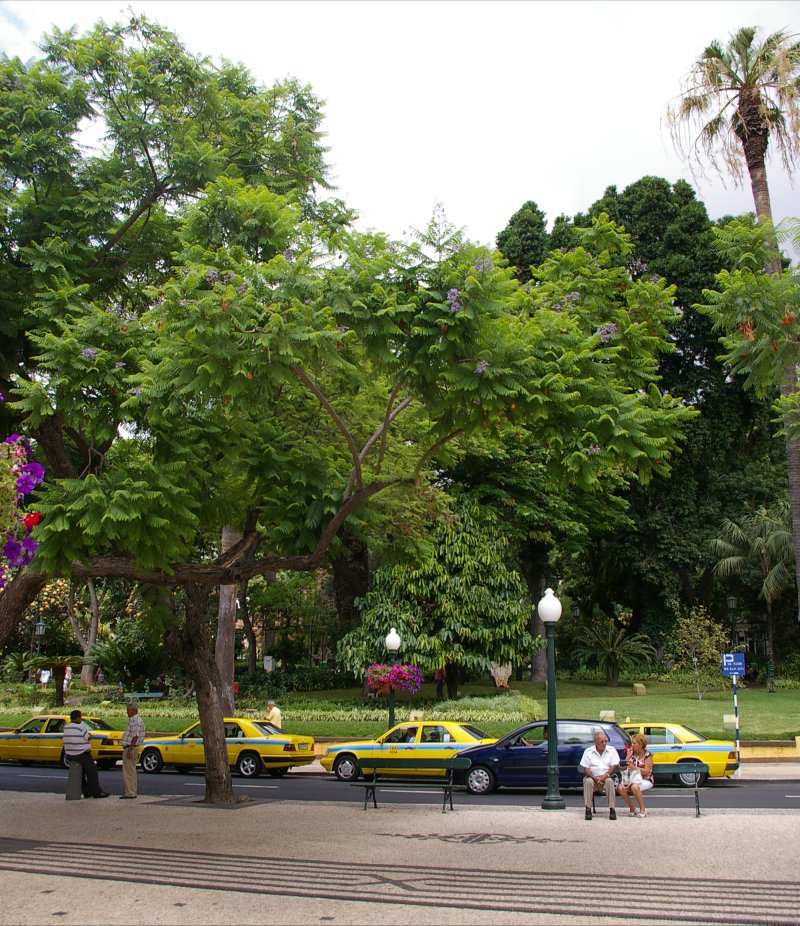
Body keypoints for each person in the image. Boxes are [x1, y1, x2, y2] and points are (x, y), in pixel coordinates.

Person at [62, 709, 109, 799]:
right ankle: (97, 792)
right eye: (81, 717)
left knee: (81, 775)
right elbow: (88, 737)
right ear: (78, 718)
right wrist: (90, 736)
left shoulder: (66, 727)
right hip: (82, 753)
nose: (81, 719)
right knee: (92, 772)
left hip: (70, 754)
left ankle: (87, 792)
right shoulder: (81, 727)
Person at [579, 729, 620, 821]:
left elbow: (613, 766)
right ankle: (588, 809)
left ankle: (612, 809)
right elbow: (586, 768)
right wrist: (594, 778)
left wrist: (605, 776)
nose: (604, 743)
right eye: (602, 741)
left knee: (609, 781)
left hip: (606, 777)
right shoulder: (588, 751)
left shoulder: (611, 750)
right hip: (593, 778)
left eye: (606, 741)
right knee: (588, 781)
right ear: (596, 742)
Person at [617, 732, 654, 817]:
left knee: (634, 786)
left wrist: (634, 768)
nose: (632, 745)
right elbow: (623, 768)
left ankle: (642, 809)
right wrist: (627, 757)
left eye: (634, 743)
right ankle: (632, 808)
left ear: (640, 745)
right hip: (631, 779)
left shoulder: (648, 755)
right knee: (620, 788)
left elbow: (647, 771)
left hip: (645, 779)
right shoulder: (631, 754)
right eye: (632, 743)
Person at [120, 702, 145, 800]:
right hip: (132, 747)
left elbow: (135, 736)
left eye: (128, 710)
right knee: (131, 771)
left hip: (130, 748)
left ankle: (130, 793)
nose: (127, 712)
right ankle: (131, 791)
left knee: (128, 772)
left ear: (134, 711)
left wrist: (130, 748)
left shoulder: (134, 720)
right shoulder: (136, 720)